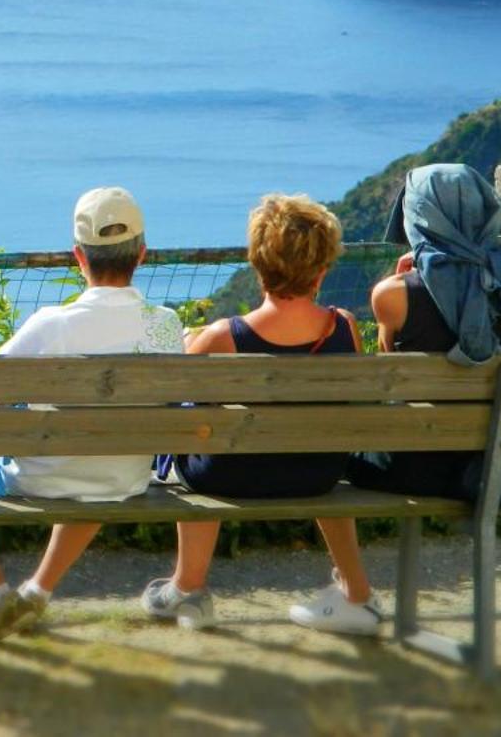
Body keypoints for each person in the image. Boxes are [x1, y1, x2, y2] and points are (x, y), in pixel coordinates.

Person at [141, 193, 383, 636]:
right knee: (316, 434)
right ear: (323, 269)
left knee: (198, 428)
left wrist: (196, 338)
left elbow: (174, 391)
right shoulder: (345, 326)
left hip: (227, 478)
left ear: (258, 265)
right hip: (318, 474)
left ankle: (189, 586)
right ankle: (356, 591)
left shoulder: (222, 337)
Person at [0, 186, 184, 646]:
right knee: (96, 454)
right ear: (142, 254)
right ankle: (37, 590)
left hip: (41, 479)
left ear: (77, 256)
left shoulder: (51, 325)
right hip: (124, 476)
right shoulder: (166, 323)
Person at [351, 163, 501, 501]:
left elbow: (387, 369)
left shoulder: (393, 296)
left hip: (410, 466)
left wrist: (400, 279)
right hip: (489, 466)